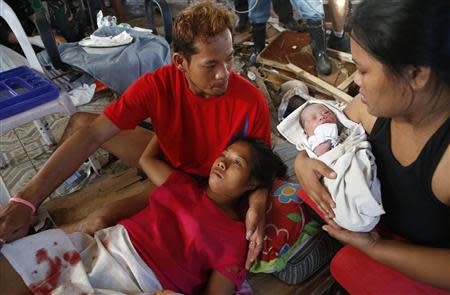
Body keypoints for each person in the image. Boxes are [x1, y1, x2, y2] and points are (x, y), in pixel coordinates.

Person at [0, 1, 271, 269]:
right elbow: (94, 135)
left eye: (229, 58)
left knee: (101, 221)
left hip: (202, 185)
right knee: (83, 124)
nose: (224, 74)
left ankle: (23, 256)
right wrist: (25, 200)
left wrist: (257, 207)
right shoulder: (157, 86)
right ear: (180, 62)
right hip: (170, 163)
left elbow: (262, 172)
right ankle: (25, 234)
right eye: (210, 65)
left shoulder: (251, 101)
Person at [295, 0, 450, 292]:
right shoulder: (369, 111)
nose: (356, 81)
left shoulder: (445, 162)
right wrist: (303, 162)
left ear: (417, 74)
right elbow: (327, 134)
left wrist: (375, 248)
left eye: (363, 70)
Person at [0, 137, 287, 294]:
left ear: (252, 184)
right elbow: (148, 160)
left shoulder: (235, 236)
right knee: (24, 261)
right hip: (103, 245)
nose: (222, 162)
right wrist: (168, 124)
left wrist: (258, 201)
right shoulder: (182, 184)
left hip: (141, 282)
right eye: (224, 154)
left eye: (237, 162)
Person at [278, 99, 384, 232]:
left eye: (326, 112)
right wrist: (326, 139)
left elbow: (351, 133)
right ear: (306, 131)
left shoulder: (344, 128)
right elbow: (322, 157)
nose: (322, 116)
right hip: (335, 169)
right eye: (314, 118)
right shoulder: (314, 141)